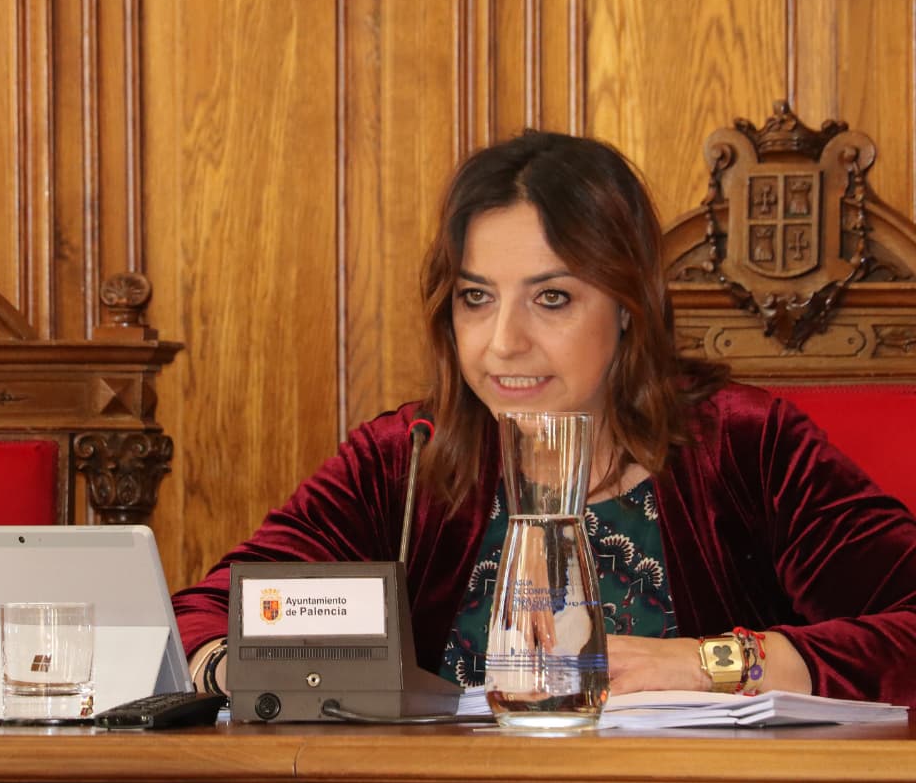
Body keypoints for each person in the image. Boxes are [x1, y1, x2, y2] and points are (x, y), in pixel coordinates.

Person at [173, 129, 916, 707]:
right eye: (477, 297)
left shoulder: (747, 447)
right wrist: (256, 670)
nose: (504, 343)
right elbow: (205, 615)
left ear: (629, 306)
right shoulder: (404, 458)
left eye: (552, 298)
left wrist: (714, 661)